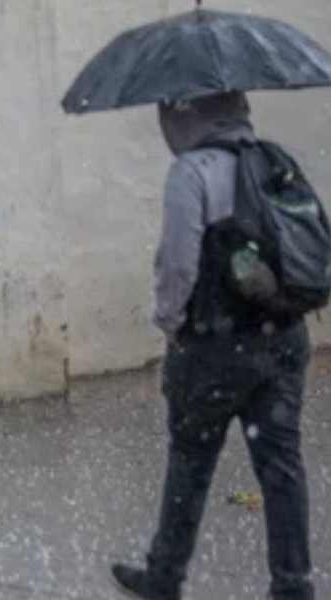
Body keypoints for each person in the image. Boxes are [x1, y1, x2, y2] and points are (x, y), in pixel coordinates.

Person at [112, 92, 315, 600]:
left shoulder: (192, 171)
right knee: (282, 465)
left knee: (191, 461)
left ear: (186, 113)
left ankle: (165, 577)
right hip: (284, 337)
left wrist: (170, 322)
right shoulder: (274, 159)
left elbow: (179, 264)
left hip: (216, 347)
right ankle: (293, 586)